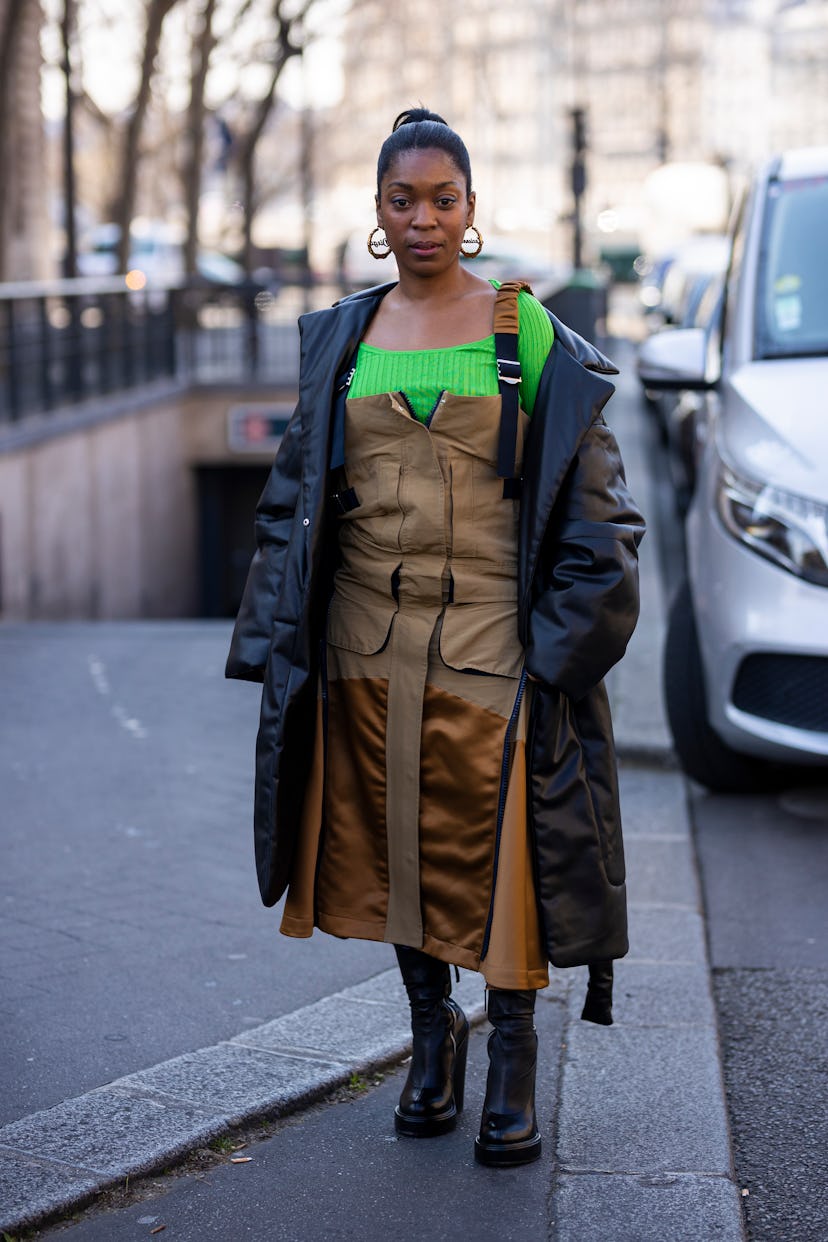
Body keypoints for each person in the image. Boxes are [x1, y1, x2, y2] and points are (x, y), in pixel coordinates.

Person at [226, 108, 645, 1168]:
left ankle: (512, 1055)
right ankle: (430, 1037)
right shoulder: (343, 336)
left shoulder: (529, 334)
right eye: (401, 200)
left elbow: (603, 525)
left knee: (502, 862)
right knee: (396, 850)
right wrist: (282, 640)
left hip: (499, 654)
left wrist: (556, 659)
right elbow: (292, 504)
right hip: (364, 648)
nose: (423, 219)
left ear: (471, 208)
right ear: (377, 214)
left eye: (442, 199)